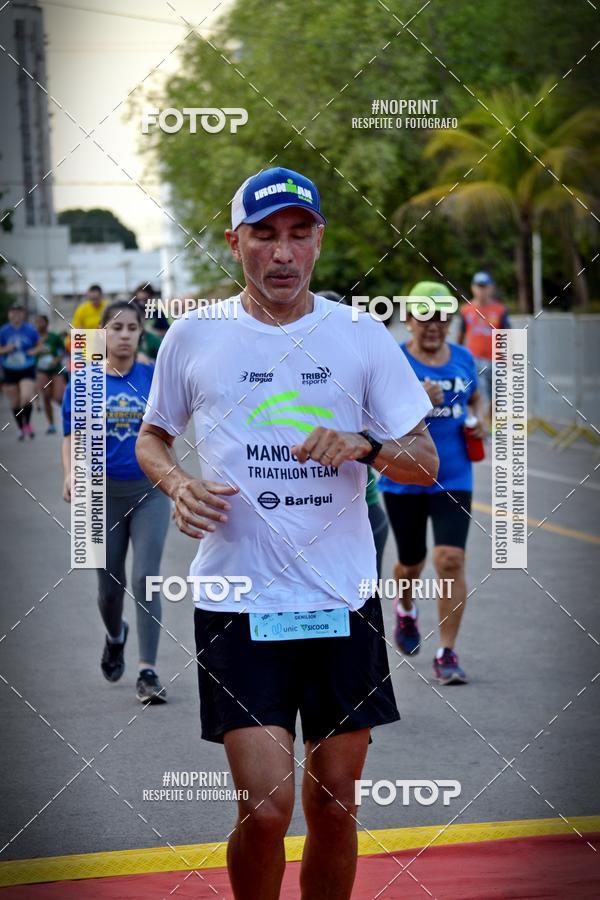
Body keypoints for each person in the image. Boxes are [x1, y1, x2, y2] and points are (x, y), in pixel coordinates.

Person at [136, 166, 437, 900]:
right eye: (265, 236)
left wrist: (363, 446)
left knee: (335, 801)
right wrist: (179, 484)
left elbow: (424, 462)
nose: (282, 253)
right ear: (235, 241)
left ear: (319, 242)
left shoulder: (360, 335)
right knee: (266, 809)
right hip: (238, 600)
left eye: (299, 236)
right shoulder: (195, 334)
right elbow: (152, 437)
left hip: (341, 602)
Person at [61, 301, 171, 704]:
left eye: (132, 328)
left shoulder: (154, 378)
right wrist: (71, 473)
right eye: (117, 327)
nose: (124, 334)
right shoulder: (84, 381)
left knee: (146, 578)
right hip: (98, 494)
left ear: (141, 332)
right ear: (102, 333)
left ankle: (148, 671)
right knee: (109, 587)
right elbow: (71, 435)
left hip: (149, 493)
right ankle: (115, 635)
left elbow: (168, 434)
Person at [380, 281, 485, 686]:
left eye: (442, 317)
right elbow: (376, 421)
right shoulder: (394, 363)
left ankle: (447, 652)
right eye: (425, 318)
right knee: (412, 561)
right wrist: (419, 401)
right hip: (404, 477)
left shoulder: (463, 359)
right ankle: (405, 607)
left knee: (450, 560)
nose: (434, 326)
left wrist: (479, 419)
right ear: (410, 320)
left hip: (454, 476)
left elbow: (477, 399)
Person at [318, 289, 389, 578]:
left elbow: (405, 439)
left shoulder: (361, 369)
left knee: (362, 612)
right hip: (303, 516)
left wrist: (364, 441)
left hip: (364, 511)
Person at [457, 271, 510, 422]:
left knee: (497, 397)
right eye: (479, 286)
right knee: (479, 395)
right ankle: (480, 424)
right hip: (475, 360)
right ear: (473, 288)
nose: (482, 290)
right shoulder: (466, 310)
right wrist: (458, 358)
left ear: (491, 288)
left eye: (485, 287)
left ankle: (493, 425)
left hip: (496, 360)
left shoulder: (500, 310)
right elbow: (461, 335)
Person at [0, 303, 39, 440]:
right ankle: (20, 428)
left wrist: (34, 351)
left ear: (23, 314)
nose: (16, 314)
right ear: (9, 314)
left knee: (26, 397)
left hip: (27, 368)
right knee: (15, 403)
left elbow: (39, 345)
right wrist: (6, 349)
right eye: (13, 312)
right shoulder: (3, 331)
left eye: (19, 312)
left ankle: (27, 424)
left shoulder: (31, 329)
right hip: (9, 369)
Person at [33, 314, 65, 434]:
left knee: (58, 397)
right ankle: (51, 424)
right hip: (41, 370)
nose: (39, 324)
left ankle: (71, 417)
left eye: (42, 321)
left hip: (55, 369)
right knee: (46, 396)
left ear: (46, 323)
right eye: (37, 322)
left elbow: (62, 352)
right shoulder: (33, 338)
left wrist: (55, 360)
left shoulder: (54, 337)